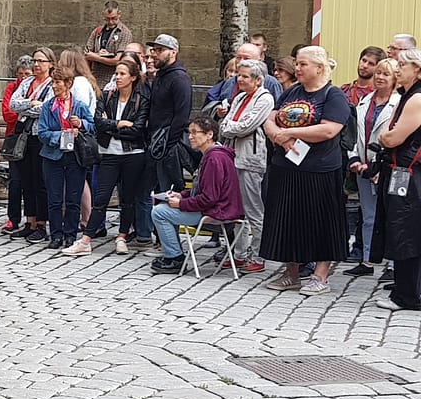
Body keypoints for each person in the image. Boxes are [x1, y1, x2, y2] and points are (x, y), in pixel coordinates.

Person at [260, 46, 351, 295]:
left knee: (321, 221)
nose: (297, 68)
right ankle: (292, 273)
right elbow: (270, 118)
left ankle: (320, 275)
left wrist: (288, 132)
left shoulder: (333, 95)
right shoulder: (293, 93)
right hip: (286, 166)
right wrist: (281, 139)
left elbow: (328, 130)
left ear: (319, 68)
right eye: (297, 64)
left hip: (319, 170)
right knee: (287, 220)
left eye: (303, 64)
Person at [65, 56, 149, 256]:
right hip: (108, 153)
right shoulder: (107, 96)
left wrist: (111, 125)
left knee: (127, 198)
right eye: (116, 73)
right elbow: (97, 122)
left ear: (133, 77)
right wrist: (120, 124)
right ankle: (86, 240)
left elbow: (137, 130)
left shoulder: (141, 100)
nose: (118, 77)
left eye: (122, 74)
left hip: (132, 153)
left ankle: (122, 236)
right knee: (101, 197)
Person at [149, 116, 242, 274]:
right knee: (164, 207)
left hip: (216, 212)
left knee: (159, 212)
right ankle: (174, 255)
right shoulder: (212, 155)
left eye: (194, 132)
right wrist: (182, 195)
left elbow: (209, 198)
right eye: (189, 132)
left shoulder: (214, 158)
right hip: (215, 208)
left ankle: (175, 258)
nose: (190, 136)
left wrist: (181, 204)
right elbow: (203, 189)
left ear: (209, 135)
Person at [372, 49, 421, 310]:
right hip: (405, 171)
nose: (398, 69)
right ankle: (406, 289)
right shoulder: (405, 96)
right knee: (404, 229)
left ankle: (408, 295)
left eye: (404, 65)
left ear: (418, 69)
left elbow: (391, 137)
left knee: (406, 230)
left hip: (410, 174)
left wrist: (386, 137)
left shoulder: (416, 99)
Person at [346, 57, 400, 277]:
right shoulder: (365, 100)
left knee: (392, 217)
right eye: (378, 73)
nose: (379, 77)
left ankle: (393, 265)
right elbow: (353, 134)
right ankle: (367, 261)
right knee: (368, 217)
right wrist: (354, 160)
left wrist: (380, 166)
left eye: (385, 74)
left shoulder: (400, 103)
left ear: (396, 78)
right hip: (363, 167)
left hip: (386, 168)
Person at [218, 59, 274, 272]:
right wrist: (230, 126)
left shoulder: (265, 99)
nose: (239, 79)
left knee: (253, 209)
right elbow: (226, 125)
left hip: (250, 160)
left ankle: (258, 256)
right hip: (233, 157)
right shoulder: (240, 97)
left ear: (258, 80)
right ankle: (239, 253)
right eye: (238, 75)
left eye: (244, 76)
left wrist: (230, 126)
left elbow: (244, 127)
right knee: (235, 209)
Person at [37, 68, 94, 250]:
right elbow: (42, 133)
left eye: (58, 82)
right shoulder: (48, 107)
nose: (54, 86)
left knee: (73, 197)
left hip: (75, 156)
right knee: (54, 198)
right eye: (53, 82)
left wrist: (81, 125)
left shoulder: (79, 106)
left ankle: (70, 234)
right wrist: (61, 136)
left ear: (68, 84)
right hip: (52, 156)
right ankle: (56, 234)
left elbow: (93, 126)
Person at [8, 48, 56, 242]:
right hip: (24, 136)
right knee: (26, 180)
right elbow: (12, 104)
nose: (37, 65)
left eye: (41, 61)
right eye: (35, 61)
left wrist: (26, 106)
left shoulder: (52, 84)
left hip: (39, 136)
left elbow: (46, 108)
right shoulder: (27, 82)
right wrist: (30, 102)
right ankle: (30, 221)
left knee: (40, 181)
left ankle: (42, 223)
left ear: (50, 63)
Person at [146, 34, 193, 194]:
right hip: (155, 142)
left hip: (166, 144)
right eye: (154, 49)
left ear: (173, 52)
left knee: (165, 192)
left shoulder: (179, 78)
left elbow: (182, 115)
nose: (154, 54)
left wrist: (168, 145)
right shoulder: (160, 76)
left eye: (160, 50)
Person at [203, 42, 283, 117]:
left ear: (259, 60)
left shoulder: (271, 83)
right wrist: (219, 112)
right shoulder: (230, 82)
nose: (241, 62)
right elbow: (220, 103)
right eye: (238, 58)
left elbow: (276, 113)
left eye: (246, 58)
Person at [1, 54, 34, 234]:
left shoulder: (37, 88)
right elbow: (8, 113)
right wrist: (29, 110)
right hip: (14, 138)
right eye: (20, 73)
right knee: (15, 182)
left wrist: (21, 109)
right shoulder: (12, 88)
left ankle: (33, 219)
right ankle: (12, 219)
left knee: (31, 181)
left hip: (32, 139)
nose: (23, 77)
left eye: (27, 73)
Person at [84, 1, 133, 87]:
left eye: (114, 18)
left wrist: (96, 57)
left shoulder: (125, 33)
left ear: (119, 14)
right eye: (107, 19)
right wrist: (99, 54)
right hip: (95, 80)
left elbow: (119, 60)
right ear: (103, 15)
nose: (110, 22)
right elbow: (87, 53)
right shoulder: (97, 31)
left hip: (112, 82)